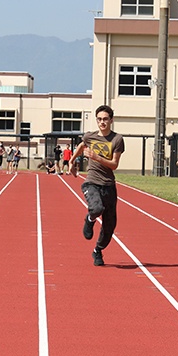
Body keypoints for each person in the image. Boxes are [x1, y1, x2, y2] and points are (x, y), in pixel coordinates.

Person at [71, 105, 125, 267]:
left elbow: (114, 164)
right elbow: (81, 146)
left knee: (110, 227)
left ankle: (98, 250)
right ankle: (90, 219)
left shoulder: (117, 139)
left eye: (105, 119)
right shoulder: (90, 137)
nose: (102, 122)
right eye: (99, 119)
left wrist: (97, 156)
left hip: (108, 185)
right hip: (92, 182)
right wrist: (71, 161)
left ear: (111, 120)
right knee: (96, 208)